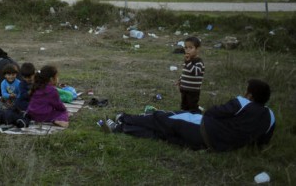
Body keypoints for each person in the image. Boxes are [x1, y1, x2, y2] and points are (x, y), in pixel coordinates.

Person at [102, 79, 276, 152]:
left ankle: (123, 118)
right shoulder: (270, 117)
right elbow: (261, 143)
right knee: (162, 135)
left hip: (203, 129)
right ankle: (122, 129)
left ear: (250, 95)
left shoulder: (243, 103)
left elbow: (212, 113)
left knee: (162, 118)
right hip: (213, 147)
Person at [176, 36, 204, 112]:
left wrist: (188, 62)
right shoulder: (188, 60)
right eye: (186, 47)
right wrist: (180, 80)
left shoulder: (199, 62)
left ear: (197, 49)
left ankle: (195, 117)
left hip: (193, 91)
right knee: (184, 105)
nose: (187, 50)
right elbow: (185, 72)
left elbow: (196, 72)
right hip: (184, 88)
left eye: (190, 48)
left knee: (192, 106)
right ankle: (184, 115)